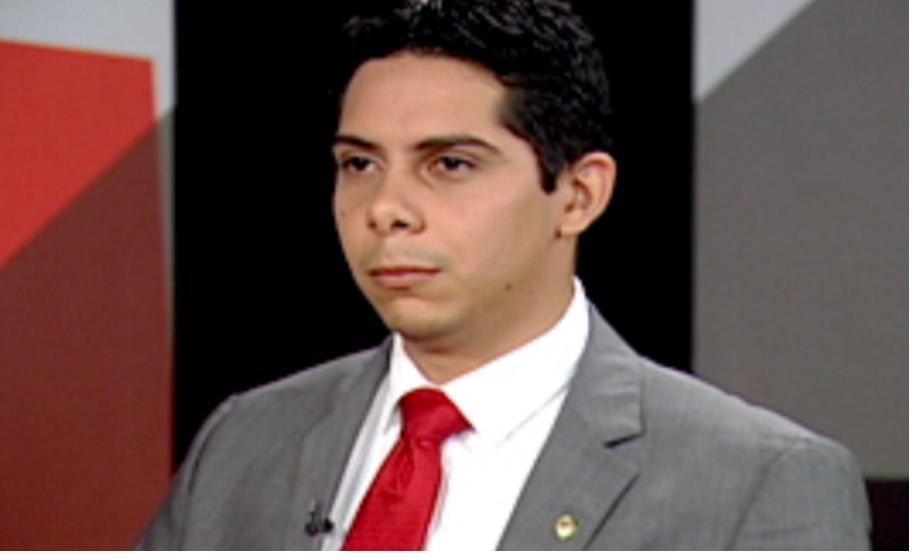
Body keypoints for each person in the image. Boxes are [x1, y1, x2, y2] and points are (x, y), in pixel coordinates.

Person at [137, 0, 870, 550]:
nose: (385, 209)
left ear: (578, 195)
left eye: (449, 164)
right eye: (359, 164)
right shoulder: (245, 441)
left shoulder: (757, 482)